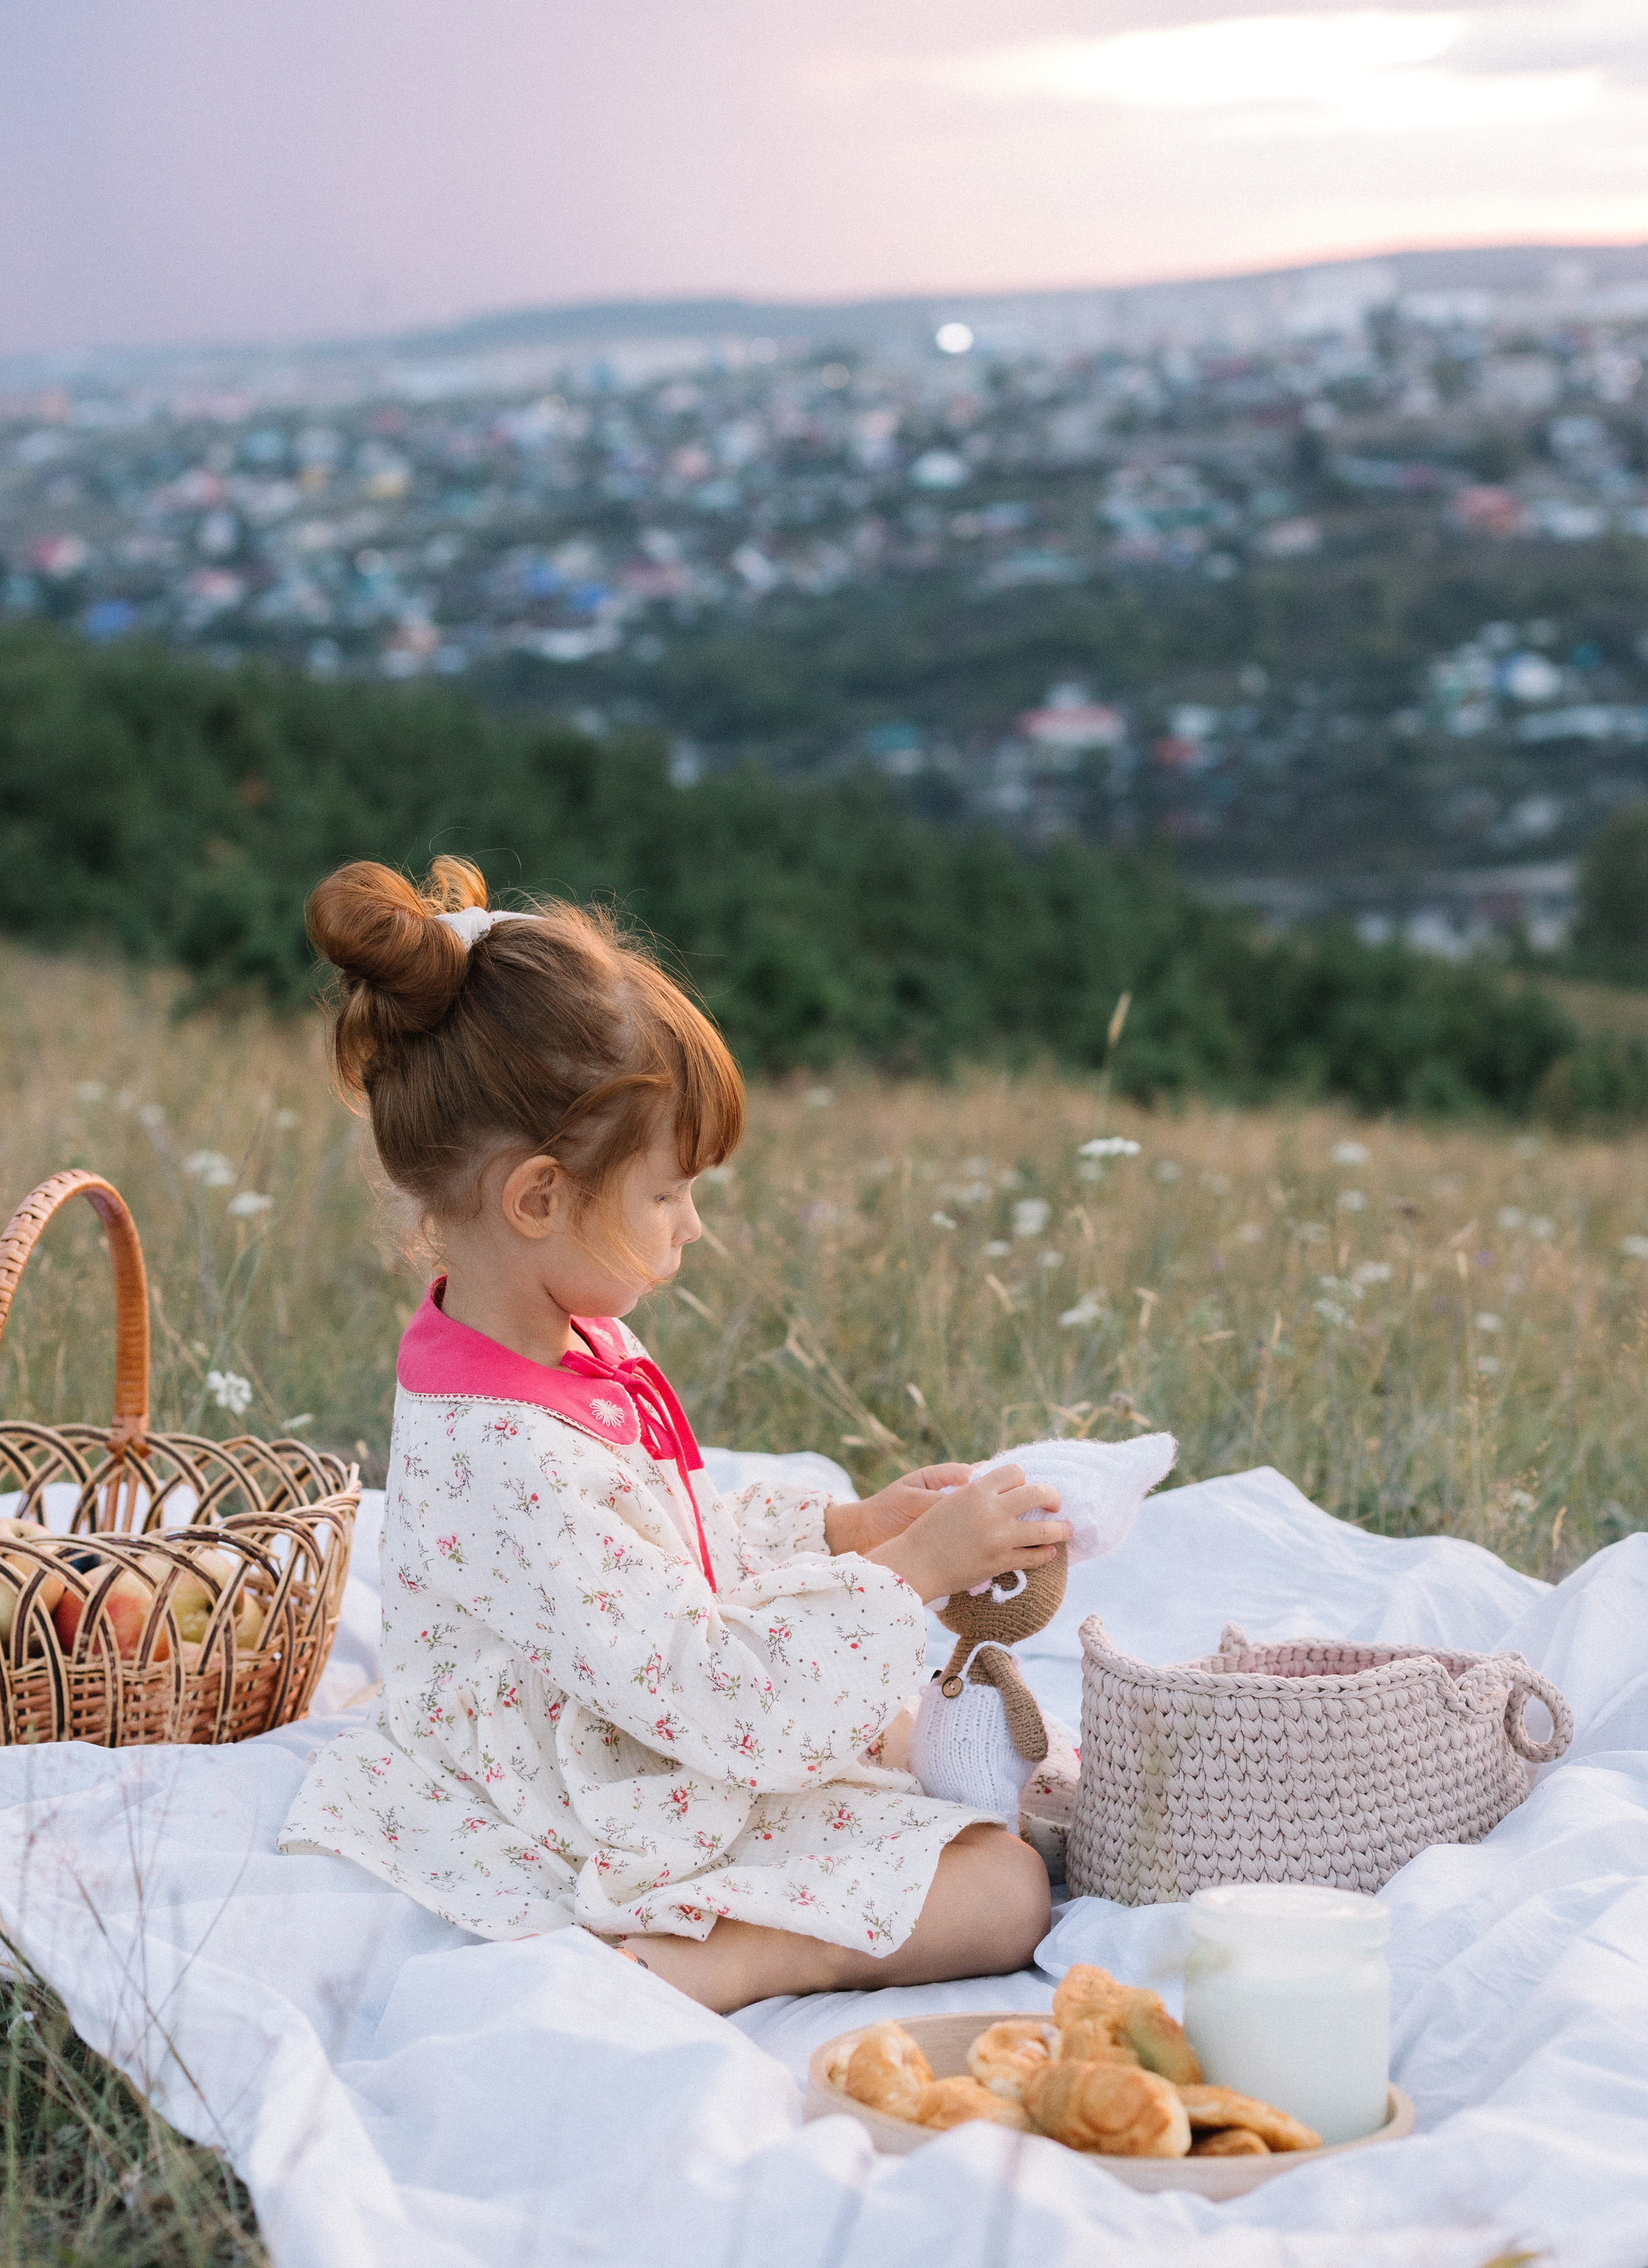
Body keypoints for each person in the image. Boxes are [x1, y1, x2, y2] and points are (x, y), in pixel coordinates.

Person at [279, 855, 1067, 2013]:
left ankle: (782, 1883)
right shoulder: (513, 1455)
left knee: (908, 1748)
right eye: (667, 1194)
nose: (693, 1226)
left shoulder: (554, 1340)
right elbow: (710, 1688)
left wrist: (843, 1531)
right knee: (1005, 1889)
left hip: (620, 1699)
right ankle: (734, 1958)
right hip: (578, 1783)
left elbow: (662, 1544)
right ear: (540, 1200)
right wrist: (914, 1575)